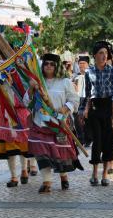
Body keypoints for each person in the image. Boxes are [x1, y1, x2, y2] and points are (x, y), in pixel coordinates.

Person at [25, 53, 81, 193]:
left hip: (59, 123)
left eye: (52, 64)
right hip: (40, 122)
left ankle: (63, 176)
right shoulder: (37, 82)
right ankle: (47, 182)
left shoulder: (65, 82)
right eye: (46, 64)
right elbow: (27, 102)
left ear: (57, 67)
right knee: (41, 151)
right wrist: (31, 88)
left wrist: (65, 108)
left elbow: (74, 100)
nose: (48, 66)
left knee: (60, 153)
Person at [83, 41, 113, 186]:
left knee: (108, 140)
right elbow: (86, 93)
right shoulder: (89, 72)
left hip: (109, 107)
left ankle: (105, 174)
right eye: (101, 53)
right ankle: (94, 173)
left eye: (106, 53)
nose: (104, 56)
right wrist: (83, 110)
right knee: (97, 140)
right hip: (95, 108)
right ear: (95, 55)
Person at [0, 85, 36, 187]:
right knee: (9, 147)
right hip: (5, 115)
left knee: (22, 145)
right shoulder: (0, 77)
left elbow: (28, 98)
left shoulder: (20, 77)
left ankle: (24, 170)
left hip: (21, 114)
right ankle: (14, 176)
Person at [73, 56, 90, 146]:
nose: (81, 65)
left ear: (88, 64)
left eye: (83, 63)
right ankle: (81, 139)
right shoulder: (76, 76)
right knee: (77, 119)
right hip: (78, 99)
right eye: (80, 63)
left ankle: (87, 139)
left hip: (88, 99)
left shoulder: (91, 75)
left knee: (85, 119)